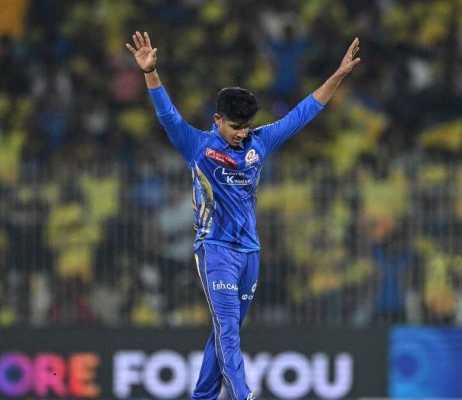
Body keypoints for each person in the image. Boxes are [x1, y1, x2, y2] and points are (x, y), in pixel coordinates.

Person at [126, 30, 361, 400]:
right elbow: (167, 115)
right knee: (228, 329)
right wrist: (150, 73)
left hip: (250, 252)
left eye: (246, 126)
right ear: (218, 119)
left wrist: (338, 75)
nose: (242, 133)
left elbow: (304, 112)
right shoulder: (197, 146)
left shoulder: (259, 143)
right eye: (236, 127)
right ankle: (243, 395)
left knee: (225, 331)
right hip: (215, 249)